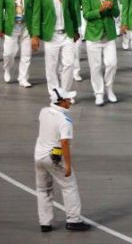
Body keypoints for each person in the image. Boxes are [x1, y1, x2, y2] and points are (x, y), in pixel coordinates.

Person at [34, 88, 91, 232]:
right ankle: (73, 220)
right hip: (53, 158)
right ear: (61, 101)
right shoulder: (65, 120)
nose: (71, 101)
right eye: (68, 99)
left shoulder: (43, 111)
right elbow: (64, 143)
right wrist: (68, 166)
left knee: (43, 189)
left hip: (38, 157)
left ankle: (45, 223)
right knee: (69, 186)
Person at [32, 0, 80, 98]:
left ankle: (63, 93)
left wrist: (75, 29)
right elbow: (36, 15)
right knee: (51, 67)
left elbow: (72, 11)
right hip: (51, 35)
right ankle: (54, 94)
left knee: (69, 63)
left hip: (66, 34)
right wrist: (35, 35)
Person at [82, 0, 120, 105]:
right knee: (96, 67)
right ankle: (99, 93)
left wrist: (111, 8)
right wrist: (100, 10)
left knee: (112, 64)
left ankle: (109, 89)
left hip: (108, 35)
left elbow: (117, 13)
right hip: (93, 36)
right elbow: (86, 14)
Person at [0, 0, 35, 87]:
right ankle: (7, 70)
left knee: (26, 54)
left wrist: (36, 31)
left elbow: (35, 11)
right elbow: (0, 11)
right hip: (11, 26)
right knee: (9, 53)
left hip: (26, 26)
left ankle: (23, 78)